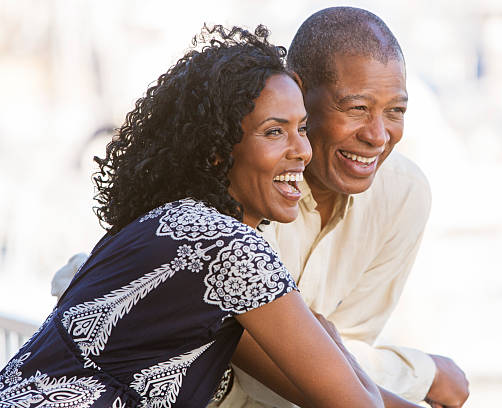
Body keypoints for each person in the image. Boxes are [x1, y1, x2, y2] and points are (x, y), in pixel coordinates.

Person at [0, 25, 392, 408]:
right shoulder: (231, 248)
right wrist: (333, 340)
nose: (301, 151)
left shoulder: (165, 223)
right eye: (274, 132)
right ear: (217, 151)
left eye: (302, 129)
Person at [212, 7, 470, 408]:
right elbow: (259, 354)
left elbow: (344, 354)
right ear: (298, 92)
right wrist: (423, 376)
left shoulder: (402, 193)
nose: (378, 135)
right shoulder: (246, 179)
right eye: (357, 108)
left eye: (395, 111)